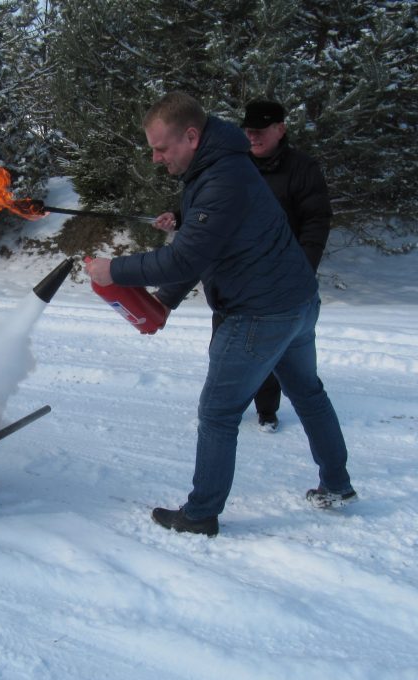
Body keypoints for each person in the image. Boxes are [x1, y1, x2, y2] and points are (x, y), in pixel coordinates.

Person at [85, 91, 356, 537]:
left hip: (260, 313)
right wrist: (164, 300)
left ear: (191, 136)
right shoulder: (219, 165)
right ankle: (337, 485)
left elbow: (185, 259)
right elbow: (211, 246)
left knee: (218, 413)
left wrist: (112, 269)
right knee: (309, 393)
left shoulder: (219, 177)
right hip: (296, 303)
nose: (155, 158)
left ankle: (201, 513)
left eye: (161, 148)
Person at [241, 99, 333, 433]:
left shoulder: (302, 168)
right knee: (224, 346)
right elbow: (213, 207)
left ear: (280, 129)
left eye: (259, 130)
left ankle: (267, 412)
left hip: (282, 279)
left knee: (275, 351)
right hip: (237, 276)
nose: (252, 137)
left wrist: (302, 270)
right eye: (248, 131)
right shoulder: (236, 166)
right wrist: (180, 217)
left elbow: (316, 222)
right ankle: (224, 408)